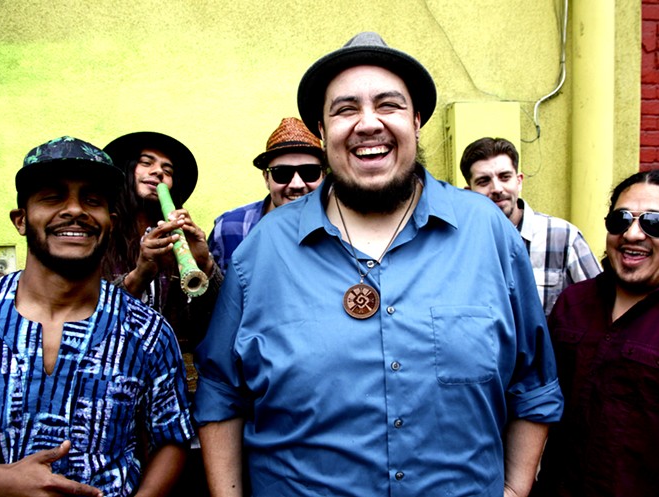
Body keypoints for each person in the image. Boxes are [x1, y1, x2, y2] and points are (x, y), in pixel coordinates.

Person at [194, 32, 563, 497]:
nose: (368, 123)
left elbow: (534, 382)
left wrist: (513, 489)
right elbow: (220, 394)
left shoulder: (487, 233)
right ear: (322, 131)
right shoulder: (263, 250)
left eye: (389, 105)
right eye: (345, 109)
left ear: (416, 120)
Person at [0, 136, 193, 496]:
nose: (75, 210)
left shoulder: (147, 332)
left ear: (109, 222)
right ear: (21, 220)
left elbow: (171, 438)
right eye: (52, 197)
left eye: (92, 200)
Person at [532, 169, 659, 497]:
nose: (633, 233)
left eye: (655, 223)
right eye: (620, 220)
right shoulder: (574, 303)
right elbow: (537, 398)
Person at [103, 131, 222, 496]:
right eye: (147, 163)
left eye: (167, 170)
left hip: (174, 397)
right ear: (126, 171)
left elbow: (211, 323)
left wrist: (203, 264)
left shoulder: (177, 238)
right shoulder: (101, 231)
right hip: (112, 394)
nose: (158, 173)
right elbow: (91, 314)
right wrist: (139, 274)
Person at [460, 137, 601, 316]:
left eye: (505, 177)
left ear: (519, 181)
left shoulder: (564, 238)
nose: (497, 188)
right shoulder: (461, 247)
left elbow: (604, 306)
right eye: (484, 181)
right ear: (469, 192)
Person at [208, 117, 325, 272]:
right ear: (266, 178)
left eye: (309, 172)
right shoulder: (230, 228)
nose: (297, 184)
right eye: (282, 173)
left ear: (324, 175)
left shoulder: (343, 230)